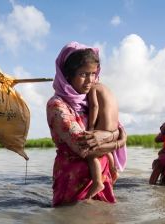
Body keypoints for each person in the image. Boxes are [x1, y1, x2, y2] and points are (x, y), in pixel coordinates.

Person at [46, 41, 127, 206]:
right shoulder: (57, 105)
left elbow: (112, 127)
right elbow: (84, 147)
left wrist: (112, 135)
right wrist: (119, 140)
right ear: (68, 75)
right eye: (83, 74)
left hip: (102, 178)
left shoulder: (90, 100)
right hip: (73, 180)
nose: (90, 80)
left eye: (93, 74)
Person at [86, 82, 120, 198]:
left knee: (91, 154)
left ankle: (97, 182)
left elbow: (94, 106)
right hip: (113, 131)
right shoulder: (107, 90)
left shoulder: (93, 88)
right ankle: (113, 168)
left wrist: (90, 126)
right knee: (105, 150)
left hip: (104, 130)